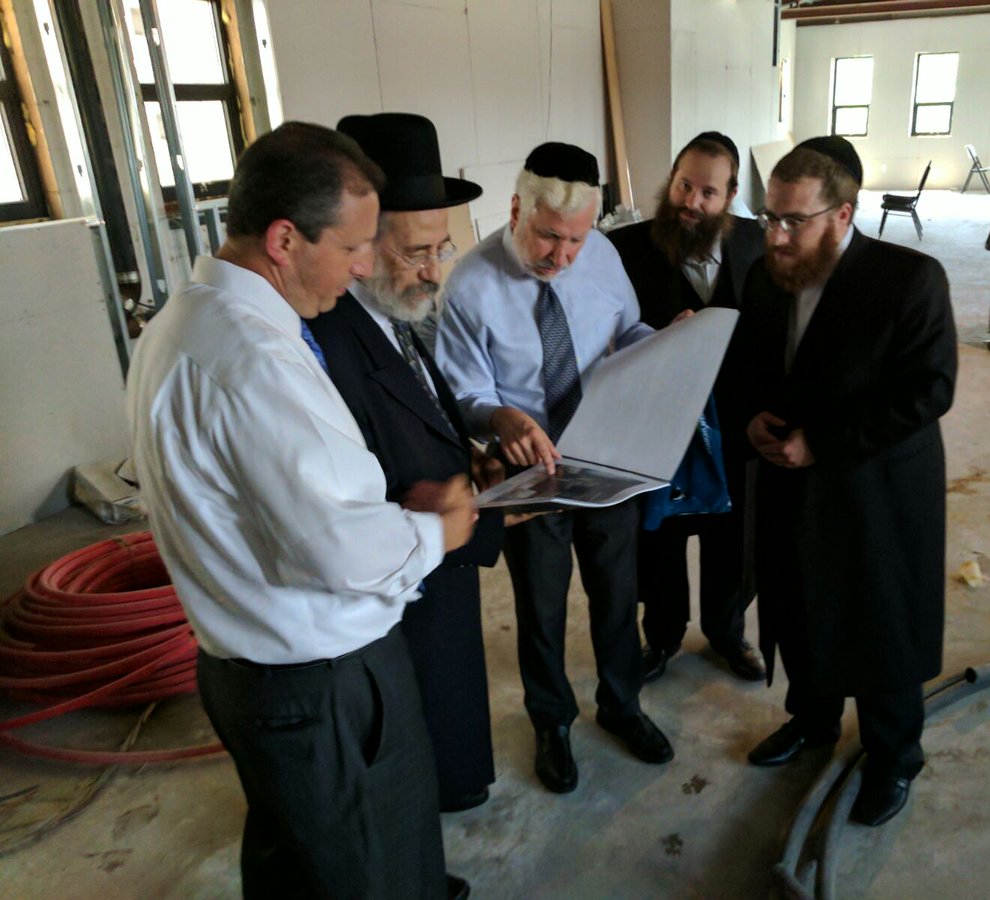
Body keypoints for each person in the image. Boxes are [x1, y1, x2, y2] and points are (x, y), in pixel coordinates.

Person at [126, 121, 476, 899]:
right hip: (323, 684)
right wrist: (435, 531)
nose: (363, 267)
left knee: (301, 865)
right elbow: (340, 552)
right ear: (284, 239)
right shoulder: (255, 362)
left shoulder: (180, 325)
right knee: (378, 872)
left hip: (249, 673)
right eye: (352, 247)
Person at [732, 136, 957, 827]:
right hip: (789, 481)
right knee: (799, 606)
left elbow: (930, 390)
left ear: (842, 215)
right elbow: (746, 365)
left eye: (793, 220)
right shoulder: (766, 277)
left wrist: (822, 443)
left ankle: (894, 756)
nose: (775, 235)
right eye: (769, 216)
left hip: (874, 491)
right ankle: (813, 720)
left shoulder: (908, 279)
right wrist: (751, 417)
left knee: (877, 622)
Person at [435, 142, 673, 795]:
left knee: (617, 594)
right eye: (548, 236)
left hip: (604, 456)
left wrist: (667, 345)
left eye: (575, 239)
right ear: (516, 210)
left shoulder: (603, 257)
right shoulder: (471, 285)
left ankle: (622, 704)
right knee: (540, 606)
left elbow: (629, 335)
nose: (562, 256)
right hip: (530, 471)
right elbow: (462, 391)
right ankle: (552, 721)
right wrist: (500, 417)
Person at [307, 113, 502, 814]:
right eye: (415, 252)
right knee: (407, 739)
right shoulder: (328, 334)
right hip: (398, 576)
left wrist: (472, 460)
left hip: (440, 553)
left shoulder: (394, 312)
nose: (433, 271)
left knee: (448, 702)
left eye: (441, 248)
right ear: (362, 242)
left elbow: (421, 409)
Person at [608, 131, 766, 684]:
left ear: (730, 197)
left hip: (737, 425)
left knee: (733, 537)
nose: (691, 202)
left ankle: (728, 631)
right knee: (660, 539)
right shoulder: (624, 249)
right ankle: (662, 635)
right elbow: (604, 340)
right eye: (683, 185)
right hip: (661, 428)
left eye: (708, 192)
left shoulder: (757, 243)